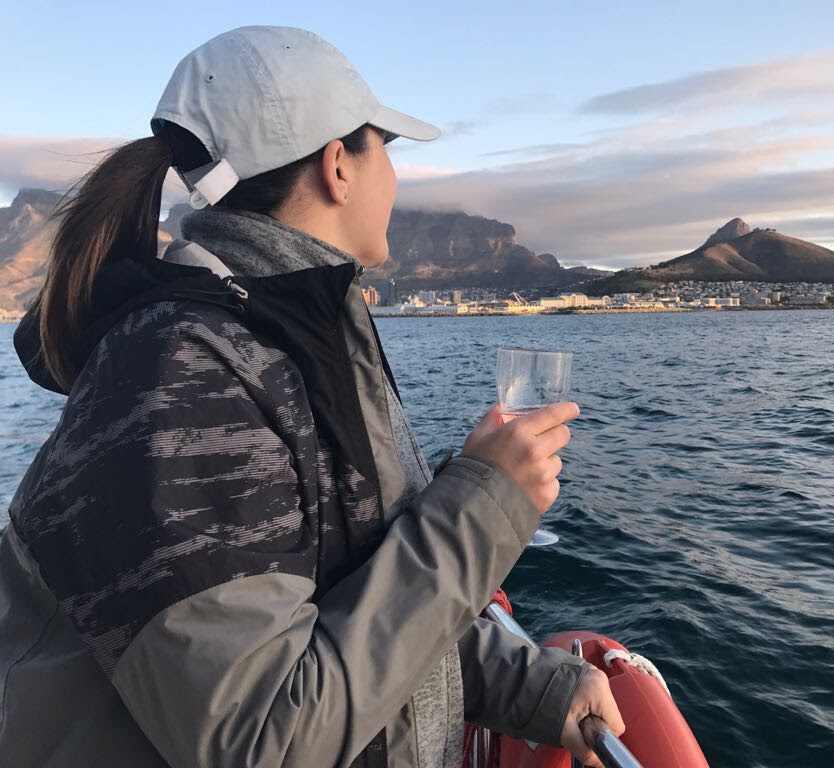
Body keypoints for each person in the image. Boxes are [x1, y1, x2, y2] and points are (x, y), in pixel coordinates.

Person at [0, 25, 625, 768]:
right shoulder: (178, 373)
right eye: (384, 147)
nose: (393, 175)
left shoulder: (299, 336)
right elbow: (265, 735)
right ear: (338, 165)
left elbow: (359, 596)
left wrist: (536, 691)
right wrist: (486, 503)